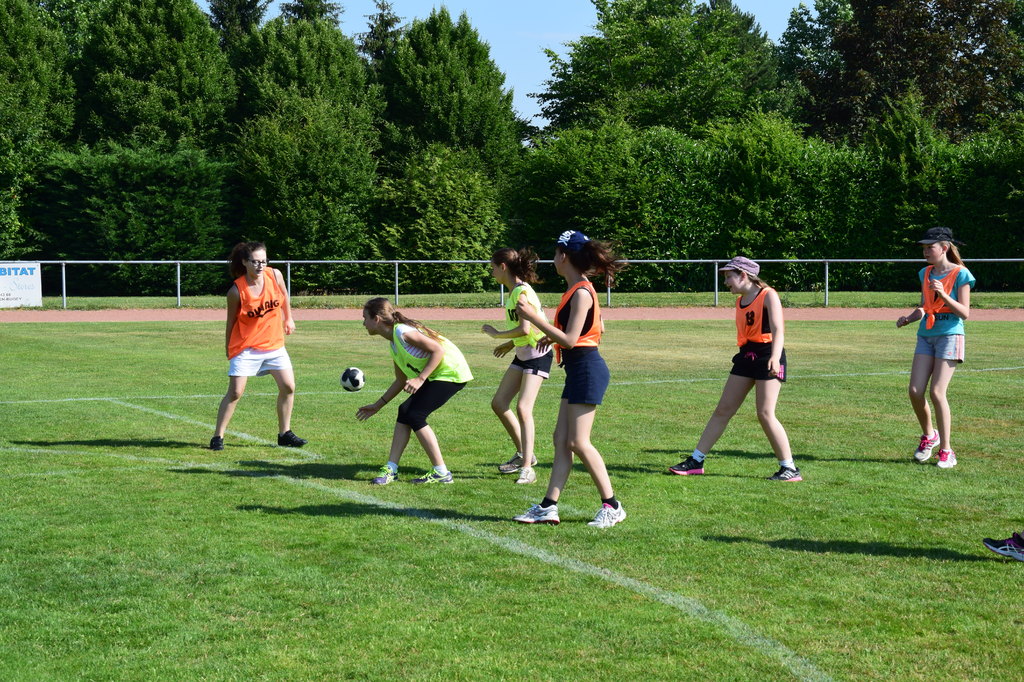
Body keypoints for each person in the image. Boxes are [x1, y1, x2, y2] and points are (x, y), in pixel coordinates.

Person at [512, 230, 626, 528]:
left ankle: (612, 505)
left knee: (578, 441)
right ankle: (548, 506)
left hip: (587, 368)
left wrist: (535, 319)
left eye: (555, 253)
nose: (553, 258)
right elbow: (591, 329)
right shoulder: (576, 289)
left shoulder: (581, 292)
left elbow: (573, 339)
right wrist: (553, 338)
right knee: (561, 440)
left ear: (564, 256)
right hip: (578, 369)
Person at [669, 256, 801, 481]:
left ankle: (789, 468)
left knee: (765, 413)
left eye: (729, 276)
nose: (726, 282)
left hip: (768, 355)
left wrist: (775, 357)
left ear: (744, 275)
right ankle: (696, 461)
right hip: (746, 356)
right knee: (723, 410)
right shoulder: (740, 300)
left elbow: (778, 329)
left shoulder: (768, 294)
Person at [356, 297, 473, 485]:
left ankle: (441, 472)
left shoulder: (402, 332)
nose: (363, 323)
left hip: (451, 372)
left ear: (376, 319)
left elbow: (437, 350)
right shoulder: (394, 342)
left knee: (415, 414)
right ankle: (391, 469)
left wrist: (420, 378)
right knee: (405, 412)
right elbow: (400, 380)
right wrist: (377, 405)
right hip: (438, 374)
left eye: (365, 318)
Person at [210, 242, 306, 451]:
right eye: (255, 261)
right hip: (246, 346)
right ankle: (218, 436)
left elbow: (284, 296)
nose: (260, 265)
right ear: (245, 262)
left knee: (288, 387)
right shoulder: (236, 291)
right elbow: (231, 322)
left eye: (264, 261)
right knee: (235, 392)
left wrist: (289, 318)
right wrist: (228, 347)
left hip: (273, 344)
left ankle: (285, 433)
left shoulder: (275, 275)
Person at [896, 226, 974, 468]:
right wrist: (909, 318)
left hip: (950, 335)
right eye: (924, 247)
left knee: (937, 393)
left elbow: (965, 312)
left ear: (944, 248)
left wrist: (944, 294)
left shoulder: (961, 273)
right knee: (915, 391)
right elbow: (924, 306)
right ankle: (930, 436)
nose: (925, 251)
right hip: (926, 335)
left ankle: (947, 451)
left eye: (930, 247)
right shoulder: (925, 272)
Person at [481, 247, 553, 485]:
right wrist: (510, 344)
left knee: (523, 408)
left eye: (493, 267)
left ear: (503, 267)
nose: (492, 272)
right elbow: (528, 329)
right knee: (499, 403)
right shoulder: (515, 292)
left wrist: (497, 335)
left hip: (538, 355)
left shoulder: (522, 294)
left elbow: (525, 329)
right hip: (523, 354)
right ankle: (524, 454)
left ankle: (527, 469)